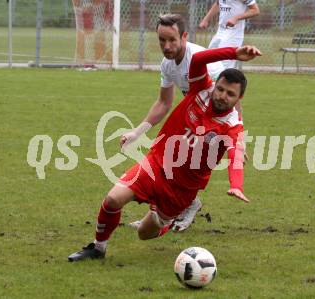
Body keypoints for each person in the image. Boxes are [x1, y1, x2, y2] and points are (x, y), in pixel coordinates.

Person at [68, 45, 262, 262]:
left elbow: (236, 155)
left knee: (144, 233)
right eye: (221, 89)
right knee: (113, 199)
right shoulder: (200, 89)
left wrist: (236, 185)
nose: (222, 96)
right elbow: (198, 58)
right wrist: (234, 53)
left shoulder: (232, 125)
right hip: (156, 164)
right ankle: (98, 248)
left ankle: (166, 222)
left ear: (239, 99)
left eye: (230, 94)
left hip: (181, 189)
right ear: (215, 85)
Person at [125, 14, 226, 233]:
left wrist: (234, 137)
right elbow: (163, 102)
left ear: (184, 36)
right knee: (166, 162)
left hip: (214, 126)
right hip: (191, 120)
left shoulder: (200, 58)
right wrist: (137, 132)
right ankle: (170, 212)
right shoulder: (167, 64)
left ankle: (182, 207)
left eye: (172, 39)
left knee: (176, 164)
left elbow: (231, 97)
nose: (167, 46)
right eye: (162, 40)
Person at [199, 0, 260, 69]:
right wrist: (206, 19)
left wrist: (236, 18)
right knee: (209, 60)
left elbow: (255, 10)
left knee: (224, 66)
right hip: (220, 31)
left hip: (234, 33)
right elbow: (218, 3)